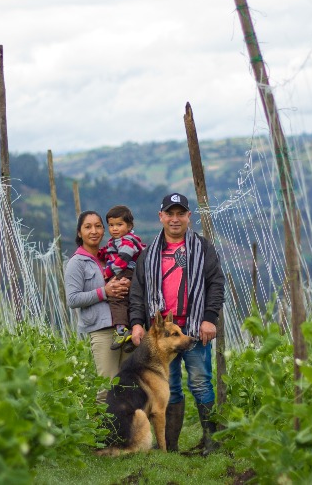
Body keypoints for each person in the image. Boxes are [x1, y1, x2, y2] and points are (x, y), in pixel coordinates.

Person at [128, 193, 225, 455]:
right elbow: (138, 292)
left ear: (188, 217)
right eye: (169, 214)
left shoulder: (203, 248)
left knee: (201, 383)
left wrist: (209, 319)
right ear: (161, 216)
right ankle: (169, 446)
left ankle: (211, 442)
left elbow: (216, 284)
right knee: (169, 389)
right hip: (161, 338)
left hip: (193, 331)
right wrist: (136, 323)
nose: (174, 219)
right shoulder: (148, 254)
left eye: (180, 213)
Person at [65, 210, 132, 390]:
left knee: (128, 387)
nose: (93, 231)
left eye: (98, 226)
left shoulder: (109, 256)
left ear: (104, 230)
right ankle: (104, 419)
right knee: (108, 388)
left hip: (126, 328)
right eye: (88, 227)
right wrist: (104, 291)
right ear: (80, 232)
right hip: (102, 331)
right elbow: (72, 299)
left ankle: (126, 419)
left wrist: (126, 284)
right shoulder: (77, 262)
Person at [99, 205, 146, 351]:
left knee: (116, 299)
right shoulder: (117, 240)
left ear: (129, 225)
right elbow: (107, 251)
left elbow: (124, 258)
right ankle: (131, 333)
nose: (114, 229)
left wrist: (108, 271)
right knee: (127, 300)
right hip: (126, 271)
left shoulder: (127, 240)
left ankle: (120, 330)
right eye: (111, 225)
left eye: (119, 225)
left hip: (126, 271)